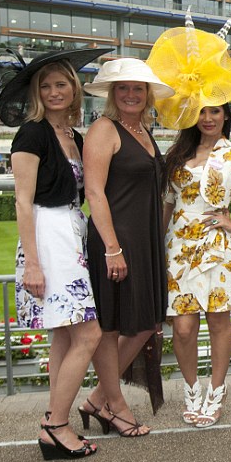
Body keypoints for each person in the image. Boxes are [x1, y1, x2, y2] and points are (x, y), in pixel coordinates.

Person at [148, 23, 231, 428]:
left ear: (226, 115)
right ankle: (191, 388)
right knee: (185, 327)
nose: (209, 118)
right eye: (203, 111)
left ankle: (217, 390)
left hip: (221, 250)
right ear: (193, 114)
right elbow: (166, 209)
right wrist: (156, 250)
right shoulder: (175, 157)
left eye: (216, 110)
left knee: (219, 322)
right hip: (179, 250)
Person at [0, 49, 110, 459]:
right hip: (47, 237)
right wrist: (32, 261)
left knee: (64, 336)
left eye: (60, 83)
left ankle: (54, 418)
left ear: (74, 88)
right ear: (36, 93)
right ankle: (56, 425)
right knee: (89, 333)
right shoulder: (31, 134)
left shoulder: (74, 137)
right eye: (44, 86)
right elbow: (23, 203)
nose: (53, 92)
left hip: (70, 233)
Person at [81, 58, 175, 437]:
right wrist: (112, 248)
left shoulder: (143, 130)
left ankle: (97, 399)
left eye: (138, 88)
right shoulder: (105, 128)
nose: (131, 94)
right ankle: (114, 405)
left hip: (144, 238)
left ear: (148, 95)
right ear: (112, 94)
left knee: (144, 322)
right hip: (116, 239)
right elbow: (93, 191)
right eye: (123, 88)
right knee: (114, 325)